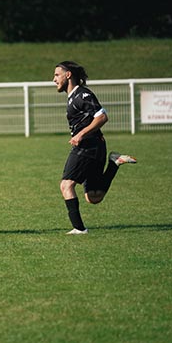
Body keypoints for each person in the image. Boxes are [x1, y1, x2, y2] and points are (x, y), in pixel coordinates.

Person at [53, 61, 136, 235]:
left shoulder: (82, 95)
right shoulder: (73, 97)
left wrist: (81, 134)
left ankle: (79, 229)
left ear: (68, 75)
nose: (54, 79)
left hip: (88, 147)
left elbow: (102, 117)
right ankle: (114, 163)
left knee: (66, 185)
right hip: (94, 146)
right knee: (94, 197)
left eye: (57, 75)